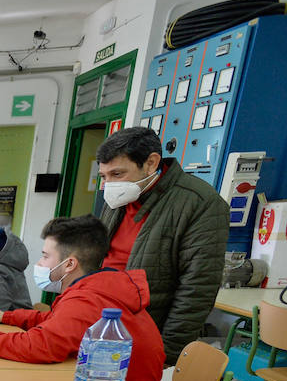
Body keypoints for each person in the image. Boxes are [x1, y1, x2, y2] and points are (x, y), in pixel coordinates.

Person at [0, 215, 165, 381]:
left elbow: (39, 345)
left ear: (70, 264)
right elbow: (54, 319)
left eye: (45, 256)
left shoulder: (87, 299)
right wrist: (5, 316)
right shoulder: (98, 288)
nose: (39, 264)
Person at [95, 126, 227, 364]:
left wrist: (165, 354)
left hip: (146, 334)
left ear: (151, 163)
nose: (108, 185)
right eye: (103, 177)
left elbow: (197, 288)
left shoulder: (199, 203)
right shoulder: (120, 197)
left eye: (117, 174)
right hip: (100, 325)